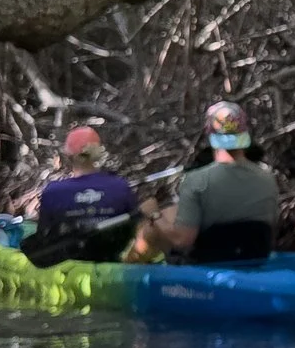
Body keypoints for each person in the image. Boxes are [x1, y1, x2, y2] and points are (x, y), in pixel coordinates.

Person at [139, 101, 279, 263]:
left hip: (211, 262)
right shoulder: (268, 179)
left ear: (210, 135)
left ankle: (129, 267)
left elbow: (182, 241)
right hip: (255, 258)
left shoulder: (196, 180)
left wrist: (154, 214)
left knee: (153, 225)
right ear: (244, 133)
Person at [33, 125, 137, 262]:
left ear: (68, 155)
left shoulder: (54, 191)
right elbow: (134, 228)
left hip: (68, 265)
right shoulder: (120, 186)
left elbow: (43, 234)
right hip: (112, 260)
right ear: (97, 152)